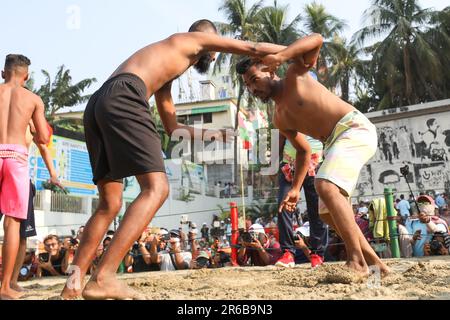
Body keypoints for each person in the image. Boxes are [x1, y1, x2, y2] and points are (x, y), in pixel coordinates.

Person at [61, 19, 279, 300]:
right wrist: (296, 50)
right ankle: (103, 277)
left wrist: (216, 134)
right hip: (126, 96)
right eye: (214, 52)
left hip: (99, 103)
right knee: (157, 188)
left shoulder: (168, 65)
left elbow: (173, 128)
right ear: (209, 42)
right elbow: (252, 47)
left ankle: (71, 287)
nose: (213, 57)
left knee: (109, 204)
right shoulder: (193, 41)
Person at [236, 33, 390, 276]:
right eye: (248, 85)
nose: (253, 88)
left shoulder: (295, 76)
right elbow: (303, 151)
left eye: (255, 79)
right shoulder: (279, 118)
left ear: (271, 71)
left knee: (326, 186)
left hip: (353, 128)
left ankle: (356, 261)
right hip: (332, 143)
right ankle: (376, 265)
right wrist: (296, 188)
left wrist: (280, 56)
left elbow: (316, 39)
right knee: (327, 213)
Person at [0, 54, 50, 299]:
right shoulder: (33, 99)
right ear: (26, 76)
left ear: (3, 73)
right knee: (12, 224)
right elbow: (43, 137)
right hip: (16, 159)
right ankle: (6, 287)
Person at [275, 129, 328, 269]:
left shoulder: (315, 110)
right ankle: (288, 253)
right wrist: (274, 162)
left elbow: (327, 132)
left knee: (316, 208)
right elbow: (280, 135)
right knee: (283, 205)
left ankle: (317, 254)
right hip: (289, 164)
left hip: (314, 162)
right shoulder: (284, 111)